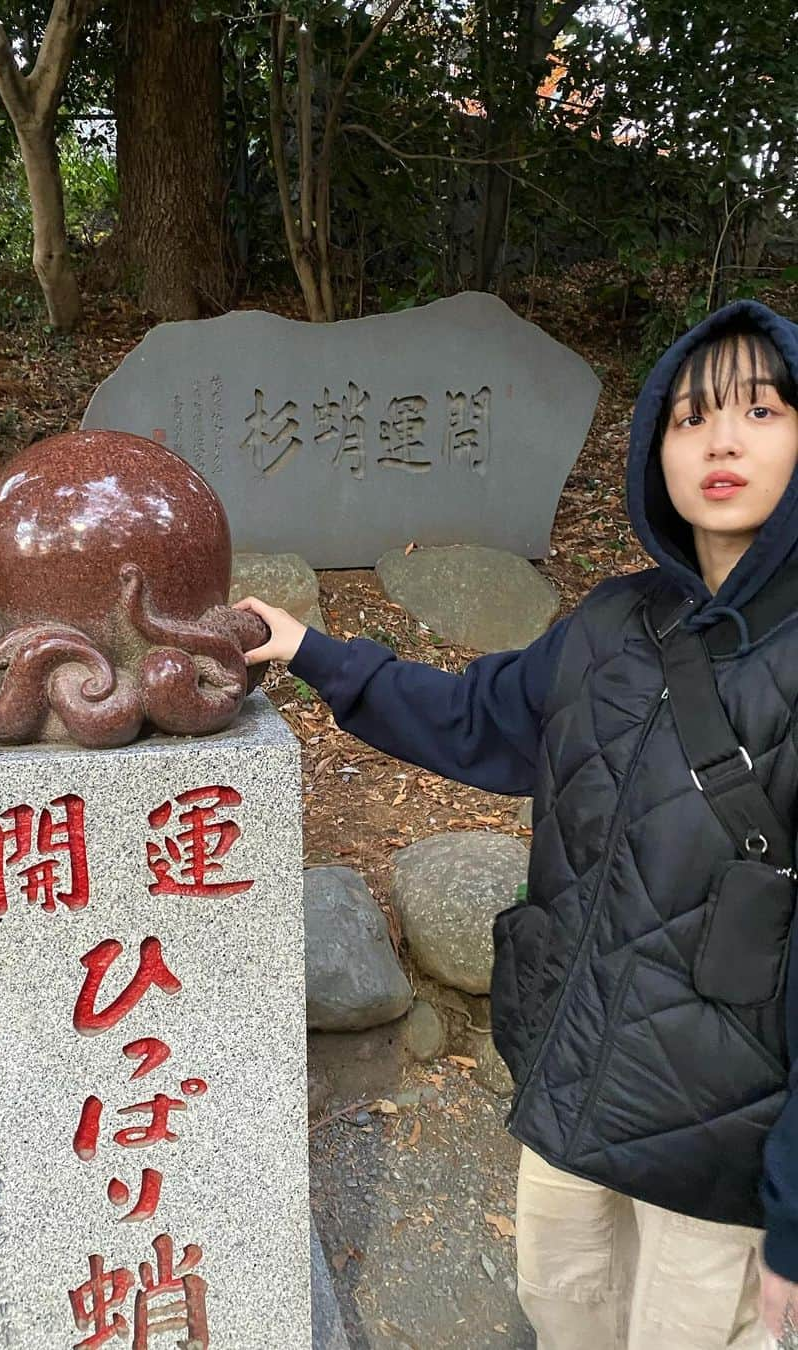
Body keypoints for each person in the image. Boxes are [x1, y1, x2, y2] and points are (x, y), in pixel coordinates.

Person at [236, 299, 798, 1349]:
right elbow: (473, 720)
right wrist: (313, 650)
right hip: (580, 1093)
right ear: (653, 451)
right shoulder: (614, 626)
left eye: (759, 411)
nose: (720, 440)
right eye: (689, 418)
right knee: (563, 1315)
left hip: (725, 1154)